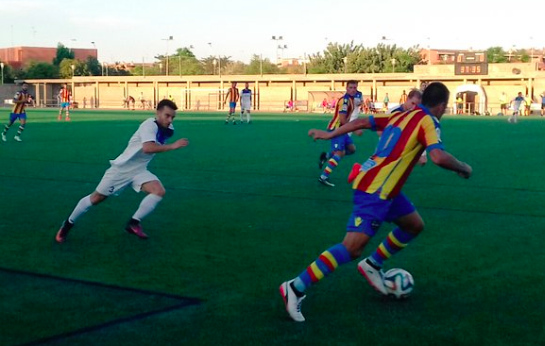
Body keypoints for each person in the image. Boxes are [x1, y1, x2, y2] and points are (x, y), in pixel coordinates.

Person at [279, 82, 472, 323]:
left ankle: (372, 265)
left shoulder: (401, 114)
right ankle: (295, 288)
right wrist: (463, 168)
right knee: (351, 248)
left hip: (386, 188)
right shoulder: (429, 121)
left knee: (414, 226)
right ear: (442, 105)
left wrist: (329, 134)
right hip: (376, 189)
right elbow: (437, 156)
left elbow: (361, 122)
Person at [55, 99, 189, 243]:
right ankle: (68, 224)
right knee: (96, 198)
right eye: (167, 115)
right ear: (157, 113)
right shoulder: (149, 125)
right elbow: (148, 148)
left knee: (159, 191)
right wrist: (172, 146)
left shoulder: (169, 130)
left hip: (139, 170)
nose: (170, 120)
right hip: (121, 170)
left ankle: (133, 223)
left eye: (172, 117)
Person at [316, 80, 359, 187]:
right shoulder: (344, 101)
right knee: (340, 152)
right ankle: (323, 177)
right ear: (346, 88)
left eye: (355, 87)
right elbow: (343, 119)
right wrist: (355, 128)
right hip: (336, 129)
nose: (353, 90)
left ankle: (326, 156)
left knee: (351, 149)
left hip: (342, 130)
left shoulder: (351, 100)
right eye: (351, 87)